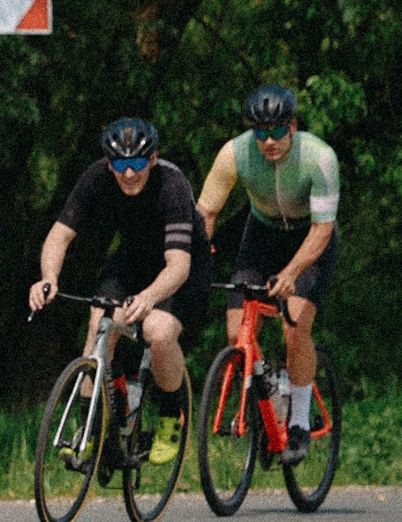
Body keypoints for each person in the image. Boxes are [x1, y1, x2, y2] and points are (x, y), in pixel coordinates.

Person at [29, 118, 204, 466]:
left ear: (152, 160)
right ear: (109, 163)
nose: (128, 174)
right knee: (98, 325)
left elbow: (178, 266)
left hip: (180, 266)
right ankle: (91, 427)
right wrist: (47, 278)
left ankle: (172, 414)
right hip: (133, 259)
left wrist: (151, 297)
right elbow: (59, 235)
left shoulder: (172, 184)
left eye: (137, 164)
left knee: (157, 331)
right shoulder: (95, 177)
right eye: (120, 165)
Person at [197, 84, 340, 466]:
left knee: (294, 327)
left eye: (278, 131)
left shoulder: (319, 157)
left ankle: (297, 423)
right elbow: (206, 214)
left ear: (293, 126)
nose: (270, 141)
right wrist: (193, 260)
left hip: (310, 239)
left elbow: (323, 229)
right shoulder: (234, 153)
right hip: (261, 235)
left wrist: (293, 271)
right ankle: (269, 399)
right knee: (235, 332)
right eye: (261, 133)